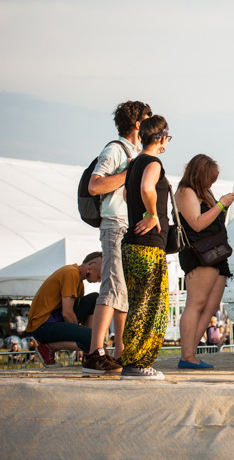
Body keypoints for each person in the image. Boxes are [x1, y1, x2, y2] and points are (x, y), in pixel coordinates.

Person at [83, 100, 152, 376]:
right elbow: (95, 185)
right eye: (148, 119)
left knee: (122, 290)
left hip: (128, 224)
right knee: (112, 286)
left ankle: (120, 351)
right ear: (137, 124)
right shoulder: (115, 150)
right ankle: (94, 352)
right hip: (114, 224)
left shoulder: (136, 151)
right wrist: (129, 173)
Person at [120, 115, 172, 380]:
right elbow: (146, 188)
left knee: (140, 302)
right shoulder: (152, 162)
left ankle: (133, 360)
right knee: (152, 305)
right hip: (148, 246)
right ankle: (137, 362)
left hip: (133, 244)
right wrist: (152, 214)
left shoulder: (133, 163)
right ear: (162, 138)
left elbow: (130, 193)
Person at [175, 154, 234, 369]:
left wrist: (221, 207)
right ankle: (187, 355)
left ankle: (190, 353)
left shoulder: (204, 192)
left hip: (216, 253)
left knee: (210, 307)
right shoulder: (186, 192)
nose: (213, 182)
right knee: (196, 303)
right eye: (210, 177)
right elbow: (197, 223)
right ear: (201, 174)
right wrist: (221, 205)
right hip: (200, 254)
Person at [25, 253, 103, 368]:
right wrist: (81, 334)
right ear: (89, 269)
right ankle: (48, 348)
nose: (100, 280)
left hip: (53, 321)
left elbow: (77, 312)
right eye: (99, 276)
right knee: (93, 338)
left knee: (95, 299)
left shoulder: (78, 282)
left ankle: (89, 352)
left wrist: (82, 334)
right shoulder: (70, 273)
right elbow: (67, 313)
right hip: (42, 326)